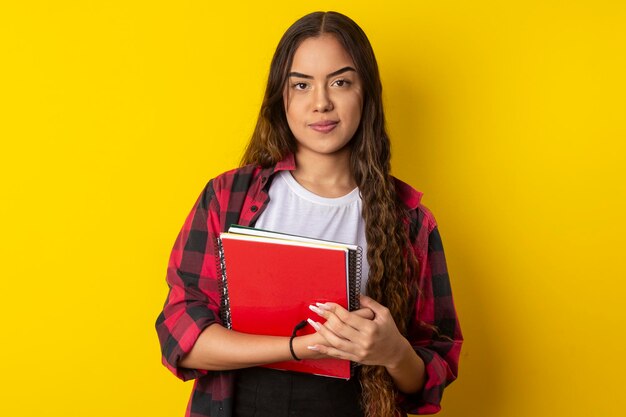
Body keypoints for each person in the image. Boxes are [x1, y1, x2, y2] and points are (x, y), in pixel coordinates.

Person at [156, 11, 462, 417]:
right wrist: (303, 348)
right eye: (302, 85)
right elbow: (182, 337)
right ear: (281, 98)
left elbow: (429, 377)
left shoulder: (411, 220)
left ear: (365, 93)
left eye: (340, 82)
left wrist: (393, 350)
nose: (321, 102)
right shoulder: (228, 196)